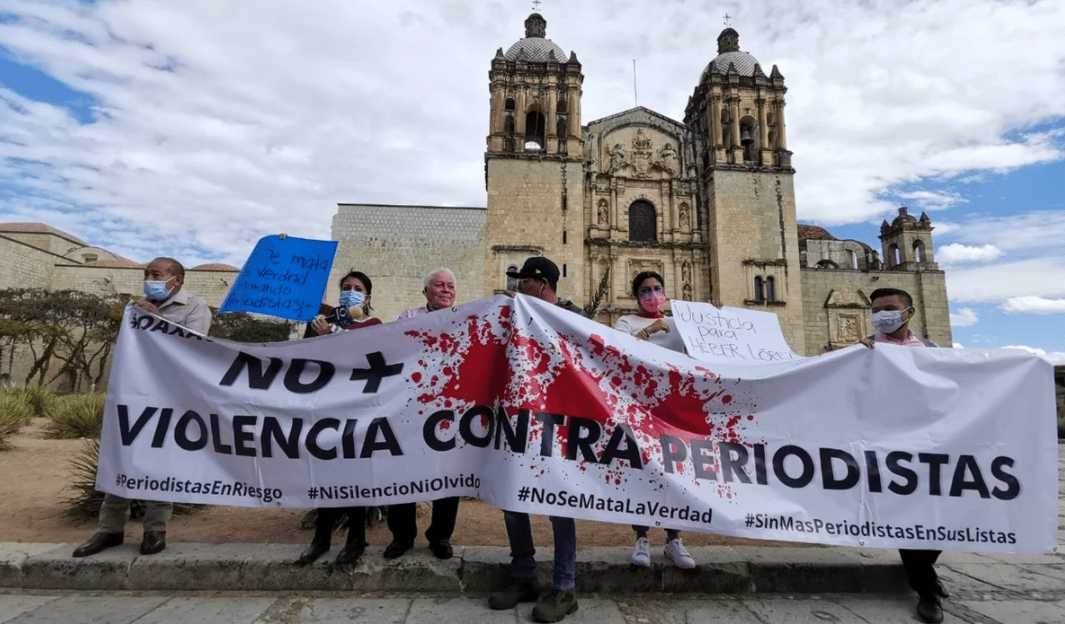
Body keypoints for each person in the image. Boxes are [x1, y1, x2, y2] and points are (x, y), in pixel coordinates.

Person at [73, 257, 211, 558]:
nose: (149, 278)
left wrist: (156, 321)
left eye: (156, 274)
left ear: (177, 280)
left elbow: (195, 346)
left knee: (160, 462)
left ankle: (155, 532)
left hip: (170, 398)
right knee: (119, 457)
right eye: (147, 273)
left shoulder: (195, 307)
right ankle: (109, 530)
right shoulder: (133, 307)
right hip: (133, 395)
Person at [489, 256, 586, 623]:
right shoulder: (512, 313)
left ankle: (565, 587)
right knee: (513, 500)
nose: (517, 287)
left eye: (523, 281)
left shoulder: (574, 316)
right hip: (519, 423)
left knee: (560, 506)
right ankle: (524, 575)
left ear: (541, 283)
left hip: (561, 428)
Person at [858, 287, 948, 624]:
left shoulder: (931, 350)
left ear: (909, 312)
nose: (882, 315)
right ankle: (927, 590)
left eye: (890, 308)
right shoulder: (865, 348)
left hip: (929, 445)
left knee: (940, 517)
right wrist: (853, 357)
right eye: (877, 310)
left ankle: (924, 572)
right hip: (887, 450)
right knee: (906, 517)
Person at [297, 270, 383, 566]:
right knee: (324, 476)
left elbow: (364, 354)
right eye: (346, 287)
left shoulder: (374, 325)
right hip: (325, 408)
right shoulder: (323, 321)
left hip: (357, 410)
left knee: (354, 476)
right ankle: (321, 539)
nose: (351, 291)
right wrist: (316, 332)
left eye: (358, 288)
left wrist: (330, 336)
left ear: (367, 298)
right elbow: (305, 360)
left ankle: (356, 540)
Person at [613, 271, 695, 570]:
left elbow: (702, 351)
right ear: (636, 295)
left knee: (675, 473)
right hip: (637, 409)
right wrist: (648, 331)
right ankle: (642, 538)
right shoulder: (625, 322)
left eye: (657, 289)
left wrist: (713, 318)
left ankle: (674, 539)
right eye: (645, 290)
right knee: (641, 472)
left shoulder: (678, 324)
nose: (652, 294)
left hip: (671, 409)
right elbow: (617, 353)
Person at [385, 267, 461, 560]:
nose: (445, 290)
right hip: (411, 409)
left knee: (448, 474)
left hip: (449, 411)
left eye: (450, 286)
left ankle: (440, 536)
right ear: (426, 291)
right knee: (402, 472)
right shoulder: (409, 317)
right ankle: (402, 536)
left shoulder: (465, 318)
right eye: (439, 285)